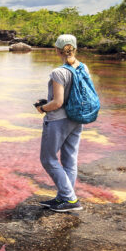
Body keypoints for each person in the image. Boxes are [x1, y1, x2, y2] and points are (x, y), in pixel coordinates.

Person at [36, 34, 85, 212]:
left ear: (57, 50)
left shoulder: (59, 72)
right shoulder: (83, 68)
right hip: (77, 118)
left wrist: (42, 108)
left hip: (58, 120)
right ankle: (63, 198)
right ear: (75, 48)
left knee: (48, 159)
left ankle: (71, 199)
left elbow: (57, 103)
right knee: (69, 160)